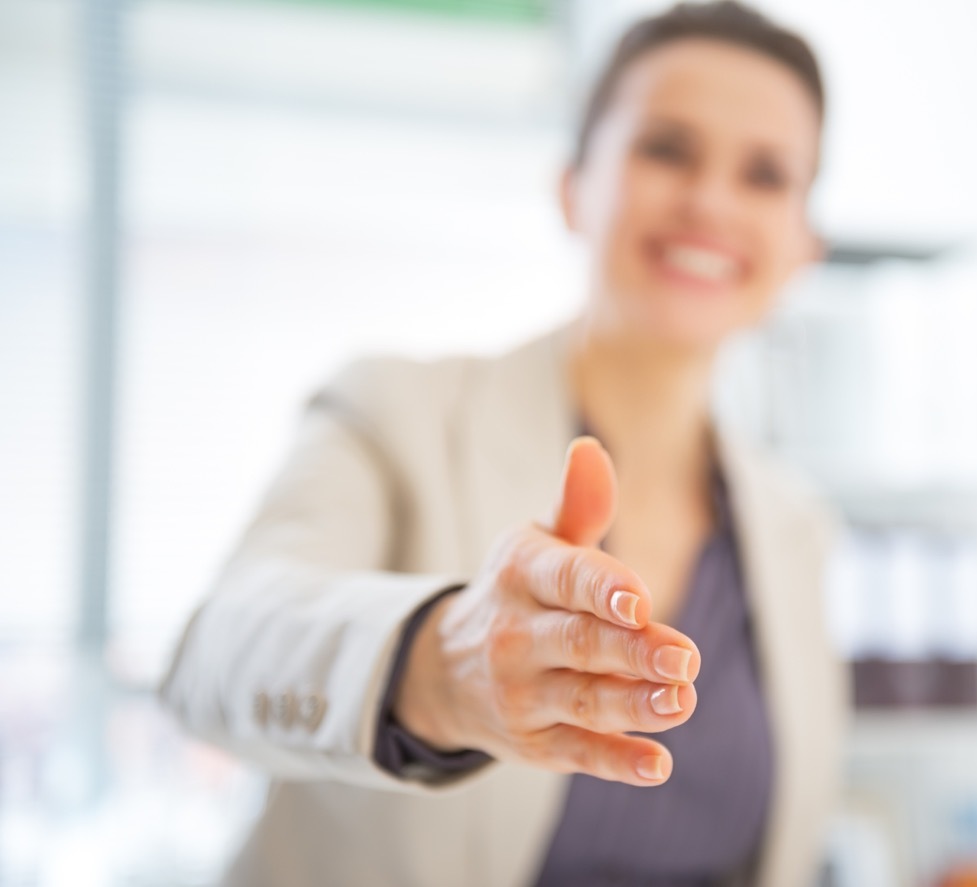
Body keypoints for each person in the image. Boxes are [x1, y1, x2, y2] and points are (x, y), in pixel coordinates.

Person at [159, 2, 847, 885]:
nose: (711, 199)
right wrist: (438, 666)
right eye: (665, 148)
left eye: (765, 174)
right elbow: (215, 650)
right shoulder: (397, 411)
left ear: (804, 246)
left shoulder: (799, 530)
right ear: (573, 188)